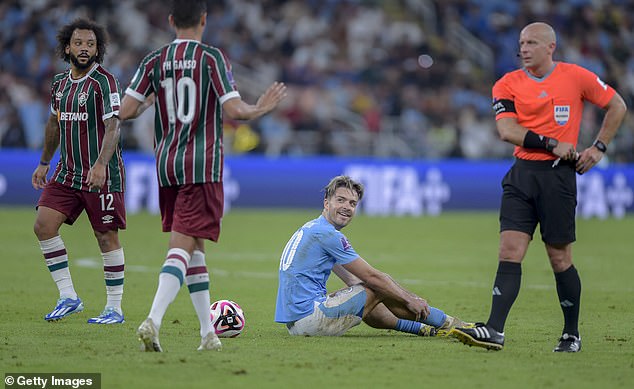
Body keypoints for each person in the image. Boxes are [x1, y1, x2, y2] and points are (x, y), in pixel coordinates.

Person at [119, 0, 287, 352]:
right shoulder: (212, 58)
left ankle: (207, 334)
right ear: (204, 20)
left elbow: (127, 110)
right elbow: (234, 110)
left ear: (170, 21)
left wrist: (152, 100)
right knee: (182, 245)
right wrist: (260, 108)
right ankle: (154, 318)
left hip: (166, 164)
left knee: (195, 247)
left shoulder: (154, 60)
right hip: (202, 164)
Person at [450, 22, 627, 352]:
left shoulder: (576, 77)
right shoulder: (507, 83)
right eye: (521, 42)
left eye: (532, 42)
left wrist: (598, 148)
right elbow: (507, 130)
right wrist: (551, 142)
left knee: (559, 257)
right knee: (509, 251)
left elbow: (617, 105)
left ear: (551, 47)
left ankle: (571, 333)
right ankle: (495, 330)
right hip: (522, 174)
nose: (524, 48)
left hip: (558, 177)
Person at [275, 175, 470, 337]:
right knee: (378, 284)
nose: (346, 207)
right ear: (326, 203)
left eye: (352, 203)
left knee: (368, 288)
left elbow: (353, 280)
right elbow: (372, 278)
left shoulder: (312, 228)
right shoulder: (328, 234)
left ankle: (424, 329)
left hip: (296, 324)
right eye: (340, 200)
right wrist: (410, 299)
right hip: (312, 320)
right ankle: (449, 323)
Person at [32, 18, 127, 325]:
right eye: (79, 43)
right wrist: (45, 161)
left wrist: (100, 164)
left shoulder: (104, 81)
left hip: (102, 174)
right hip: (67, 171)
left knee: (105, 237)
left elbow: (114, 124)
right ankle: (68, 297)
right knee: (43, 226)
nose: (84, 49)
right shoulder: (59, 84)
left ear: (98, 49)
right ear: (66, 47)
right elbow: (53, 124)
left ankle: (114, 308)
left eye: (90, 44)